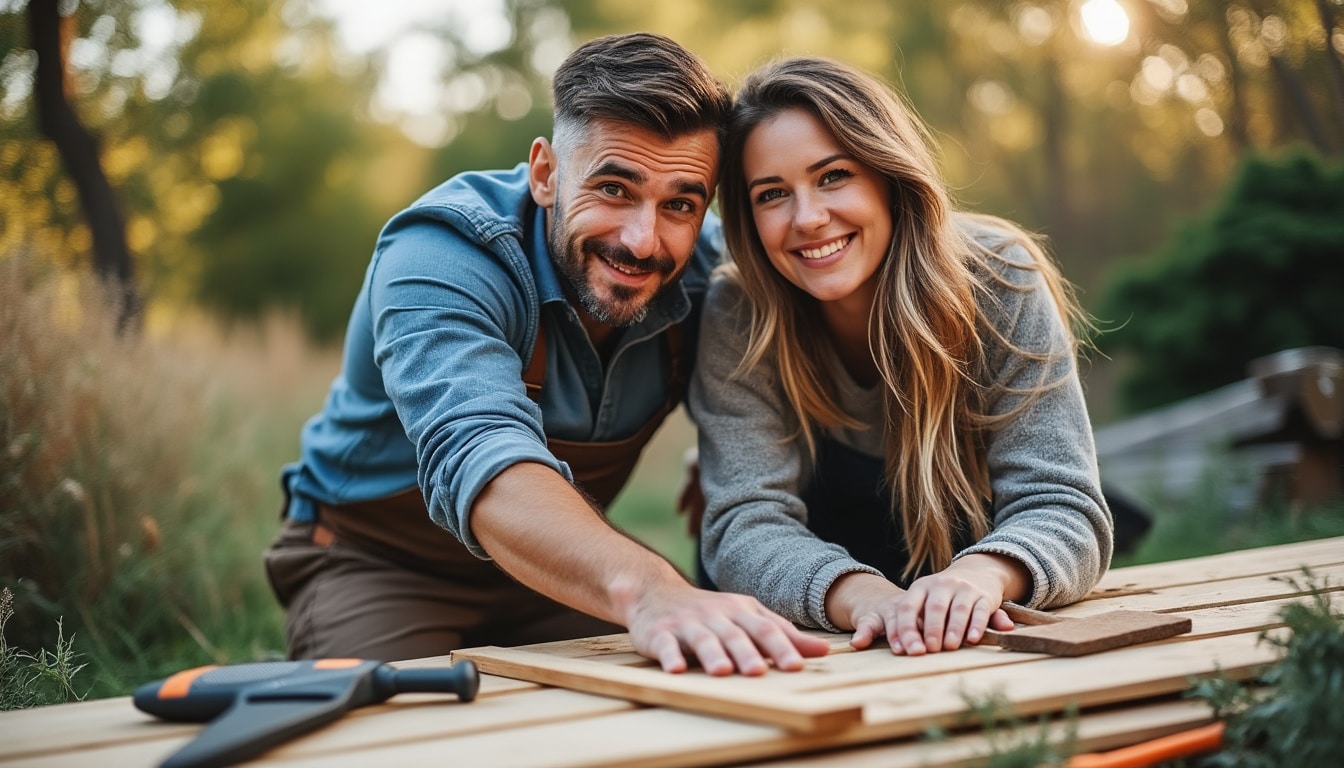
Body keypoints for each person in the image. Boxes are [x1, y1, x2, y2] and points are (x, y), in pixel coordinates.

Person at [263, 33, 830, 675]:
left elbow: (856, 266)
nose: (644, 241)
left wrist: (731, 441)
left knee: (714, 674)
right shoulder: (441, 255)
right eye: (614, 189)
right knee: (409, 732)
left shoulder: (711, 270)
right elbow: (480, 453)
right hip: (377, 565)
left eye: (680, 204)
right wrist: (649, 589)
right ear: (545, 174)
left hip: (563, 567)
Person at [688, 57, 1114, 657]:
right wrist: (864, 596)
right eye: (772, 194)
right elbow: (743, 527)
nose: (807, 218)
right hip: (808, 635)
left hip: (969, 618)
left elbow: (1064, 506)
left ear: (888, 175)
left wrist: (980, 577)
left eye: (833, 176)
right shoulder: (739, 311)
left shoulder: (1000, 281)